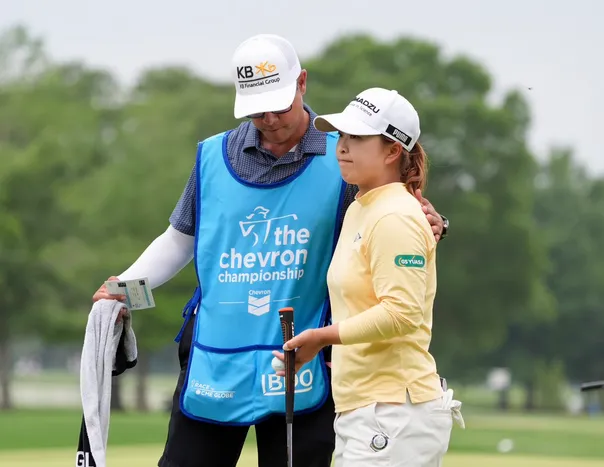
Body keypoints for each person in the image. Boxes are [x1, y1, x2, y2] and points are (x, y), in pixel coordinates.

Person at [91, 34, 450, 467]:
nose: (269, 118)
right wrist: (124, 290)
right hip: (218, 354)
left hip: (303, 357)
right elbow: (179, 240)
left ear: (302, 83)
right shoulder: (212, 157)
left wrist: (433, 221)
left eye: (278, 105)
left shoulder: (345, 160)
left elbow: (387, 218)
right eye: (257, 109)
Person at [274, 87, 463, 466]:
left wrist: (321, 338)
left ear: (392, 151)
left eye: (358, 138)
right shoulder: (361, 207)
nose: (342, 147)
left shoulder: (395, 215)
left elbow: (401, 313)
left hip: (394, 411)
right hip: (368, 410)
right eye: (342, 135)